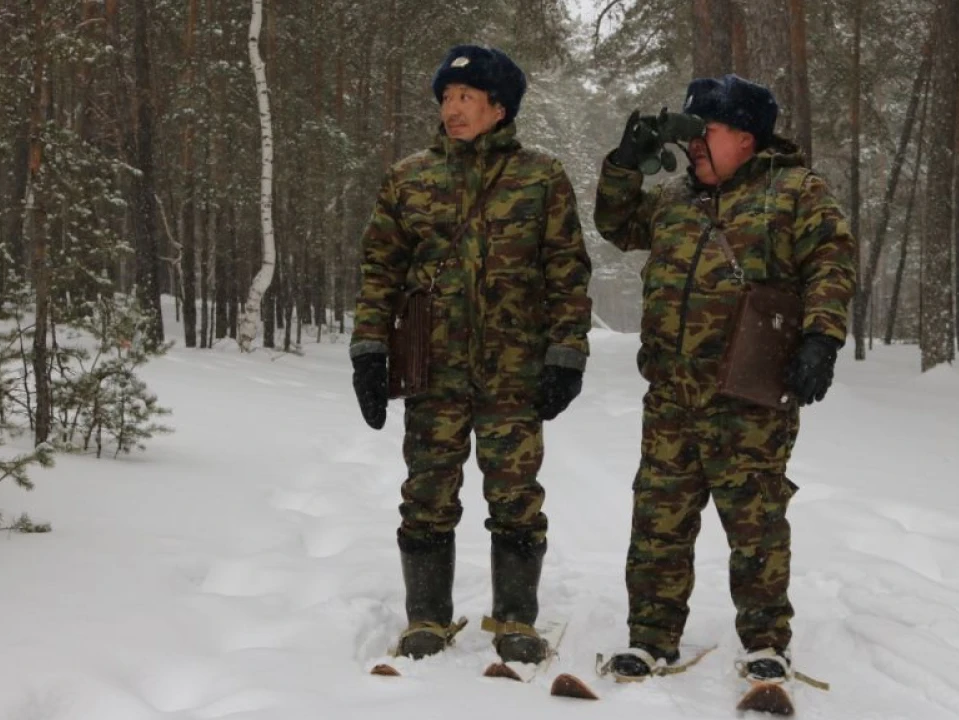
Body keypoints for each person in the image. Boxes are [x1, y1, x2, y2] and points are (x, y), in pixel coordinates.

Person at [593, 75, 856, 685]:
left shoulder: (794, 193)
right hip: (671, 397)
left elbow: (831, 262)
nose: (693, 147)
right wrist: (625, 162)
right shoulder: (674, 202)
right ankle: (650, 639)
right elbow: (616, 222)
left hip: (749, 395)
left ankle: (766, 642)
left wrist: (822, 337)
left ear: (746, 137)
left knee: (756, 522)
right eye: (689, 135)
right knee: (659, 518)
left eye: (704, 132)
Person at [349, 45, 593, 665]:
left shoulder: (541, 177)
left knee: (516, 496)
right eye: (446, 99)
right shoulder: (409, 177)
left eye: (465, 98)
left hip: (515, 372)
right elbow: (380, 269)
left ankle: (516, 620)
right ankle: (426, 618)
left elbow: (566, 271)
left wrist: (567, 351)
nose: (452, 110)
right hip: (432, 370)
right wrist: (370, 348)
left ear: (498, 107)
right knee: (426, 493)